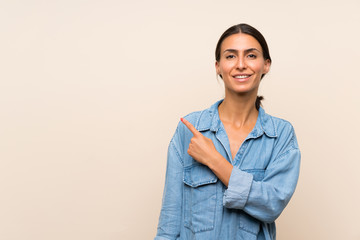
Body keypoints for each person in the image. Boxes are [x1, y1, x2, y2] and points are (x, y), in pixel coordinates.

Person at [155, 23, 301, 240]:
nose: (241, 65)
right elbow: (170, 219)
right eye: (231, 56)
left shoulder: (280, 135)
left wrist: (214, 160)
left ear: (266, 65)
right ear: (218, 66)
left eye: (251, 55)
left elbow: (272, 205)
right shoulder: (191, 129)